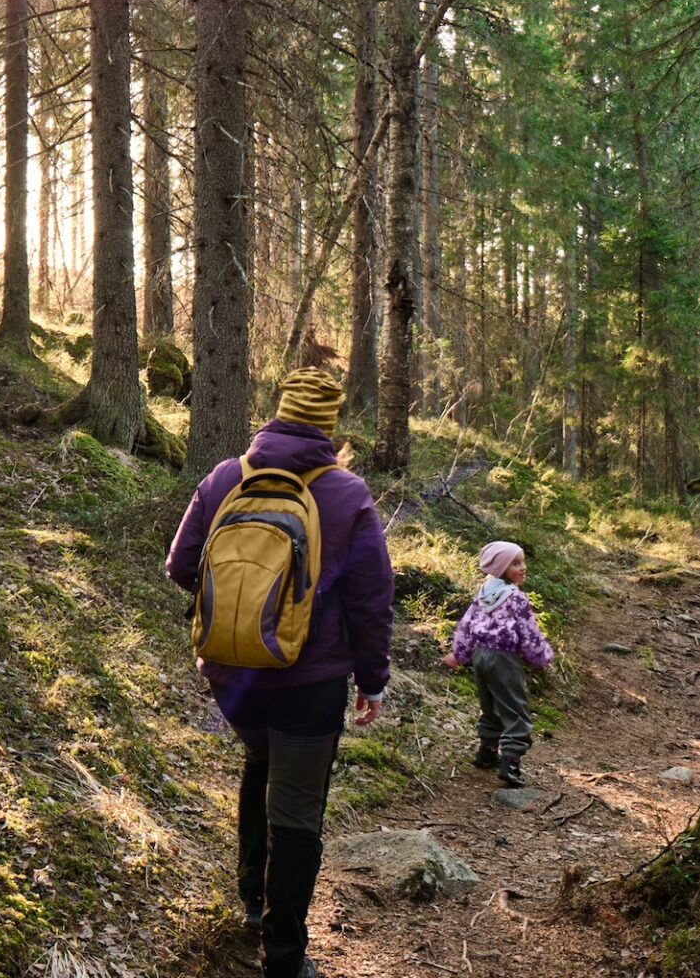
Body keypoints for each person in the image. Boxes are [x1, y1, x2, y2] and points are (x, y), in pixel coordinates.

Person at [165, 368, 393, 978]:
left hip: (229, 673)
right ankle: (285, 957)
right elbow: (371, 600)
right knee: (296, 809)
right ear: (330, 426)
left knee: (260, 762)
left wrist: (243, 613)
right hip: (309, 683)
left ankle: (250, 903)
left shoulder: (225, 477)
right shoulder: (346, 493)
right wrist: (371, 679)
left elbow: (181, 566)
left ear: (278, 412)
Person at [441, 540, 554, 789]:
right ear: (501, 569)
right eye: (515, 564)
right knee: (514, 707)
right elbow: (529, 632)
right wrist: (541, 656)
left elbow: (466, 626)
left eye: (522, 562)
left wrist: (458, 654)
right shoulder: (516, 598)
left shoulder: (483, 594)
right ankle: (510, 762)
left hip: (480, 656)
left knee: (489, 704)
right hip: (504, 657)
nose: (523, 567)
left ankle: (487, 751)